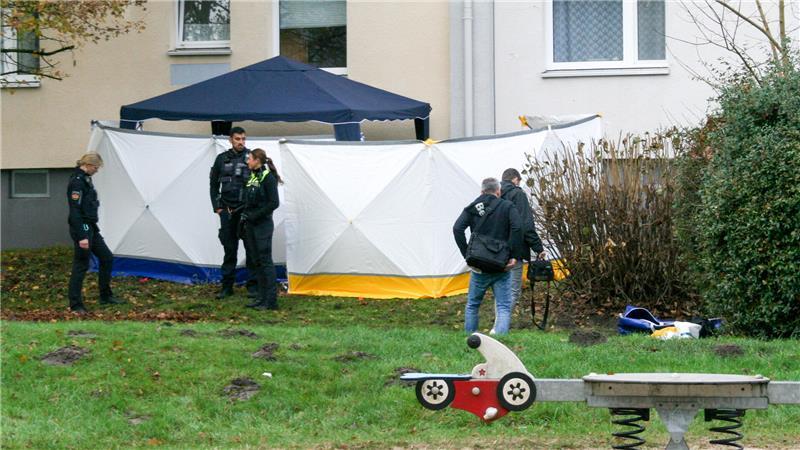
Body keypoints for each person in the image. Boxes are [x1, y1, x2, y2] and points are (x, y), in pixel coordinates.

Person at [453, 177, 523, 335]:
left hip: (479, 265)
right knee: (503, 306)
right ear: (498, 192)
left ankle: (471, 339)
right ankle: (501, 340)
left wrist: (467, 254)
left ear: (482, 191)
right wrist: (513, 255)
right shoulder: (507, 206)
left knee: (473, 304)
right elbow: (518, 228)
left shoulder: (472, 207)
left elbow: (457, 229)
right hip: (501, 264)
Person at [67, 153, 125, 313]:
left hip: (91, 227)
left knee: (106, 257)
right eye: (96, 167)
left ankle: (105, 296)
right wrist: (82, 236)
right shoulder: (77, 183)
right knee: (81, 264)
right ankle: (76, 304)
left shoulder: (86, 180)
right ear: (88, 164)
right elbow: (75, 211)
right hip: (83, 228)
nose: (97, 170)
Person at [209, 126, 257, 299]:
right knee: (230, 250)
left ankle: (253, 286)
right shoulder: (221, 159)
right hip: (227, 211)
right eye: (237, 139)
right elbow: (214, 185)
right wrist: (217, 207)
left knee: (251, 249)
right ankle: (227, 286)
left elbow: (260, 183)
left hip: (246, 211)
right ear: (230, 140)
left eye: (243, 139)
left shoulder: (252, 157)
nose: (241, 142)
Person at [500, 168, 546, 316]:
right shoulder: (517, 194)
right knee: (513, 290)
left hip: (494, 250)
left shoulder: (495, 194)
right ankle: (500, 325)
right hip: (514, 249)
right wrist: (538, 248)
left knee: (500, 290)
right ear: (515, 179)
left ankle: (497, 322)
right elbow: (525, 225)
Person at [240, 148, 281, 310]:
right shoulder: (252, 176)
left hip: (262, 226)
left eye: (249, 158)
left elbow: (273, 203)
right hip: (250, 225)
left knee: (265, 262)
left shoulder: (268, 178)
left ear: (257, 160)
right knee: (256, 261)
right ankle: (261, 297)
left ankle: (271, 301)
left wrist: (255, 215)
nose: (247, 161)